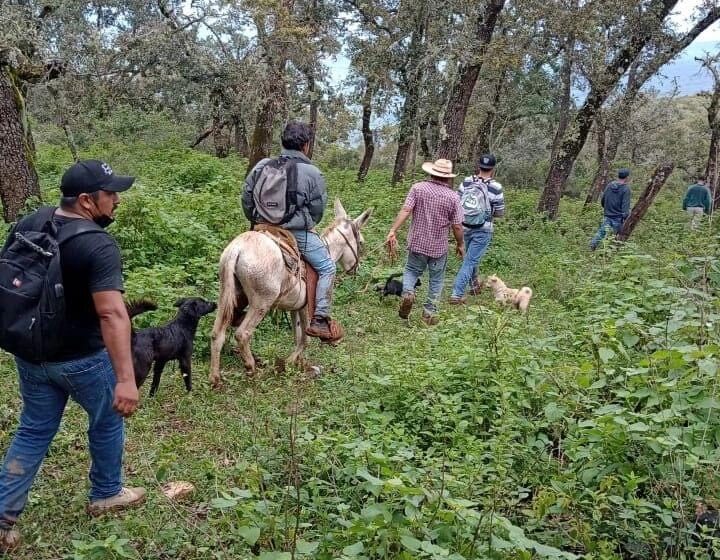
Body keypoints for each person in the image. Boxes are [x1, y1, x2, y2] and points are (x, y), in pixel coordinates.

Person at [0, 160, 145, 553]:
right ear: (86, 200)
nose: (116, 200)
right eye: (110, 194)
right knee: (107, 418)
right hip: (82, 358)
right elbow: (112, 313)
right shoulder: (97, 244)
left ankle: (3, 516)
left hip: (32, 354)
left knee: (33, 429)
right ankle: (106, 492)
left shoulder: (32, 221)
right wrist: (126, 379)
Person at [242, 121, 340, 340]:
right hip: (294, 232)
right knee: (327, 267)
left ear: (283, 142)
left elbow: (247, 196)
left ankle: (238, 306)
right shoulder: (312, 173)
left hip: (261, 228)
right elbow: (317, 210)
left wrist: (257, 221)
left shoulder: (262, 165)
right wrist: (300, 223)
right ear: (306, 146)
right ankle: (320, 319)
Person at [385, 158, 465, 325]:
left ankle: (408, 293)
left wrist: (393, 230)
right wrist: (460, 244)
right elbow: (457, 226)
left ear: (431, 173)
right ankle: (429, 314)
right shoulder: (453, 197)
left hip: (417, 243)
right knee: (436, 280)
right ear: (449, 177)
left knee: (411, 271)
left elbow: (406, 210)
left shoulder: (418, 188)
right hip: (438, 248)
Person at [449, 153, 505, 304]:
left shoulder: (467, 182)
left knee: (470, 259)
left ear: (478, 166)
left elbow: (457, 201)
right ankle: (457, 294)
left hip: (464, 226)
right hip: (483, 228)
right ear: (492, 168)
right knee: (470, 261)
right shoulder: (496, 187)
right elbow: (499, 213)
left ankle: (474, 287)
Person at [589, 168, 631, 251]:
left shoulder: (609, 185)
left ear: (618, 175)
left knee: (601, 232)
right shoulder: (626, 189)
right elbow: (625, 206)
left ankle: (592, 246)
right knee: (615, 236)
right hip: (618, 217)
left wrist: (606, 209)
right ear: (627, 177)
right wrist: (626, 217)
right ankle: (610, 252)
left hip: (607, 214)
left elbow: (603, 199)